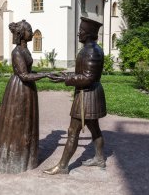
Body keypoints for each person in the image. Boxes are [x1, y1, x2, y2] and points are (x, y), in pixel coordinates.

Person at [0, 20, 47, 174]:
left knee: (27, 122)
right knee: (17, 122)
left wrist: (44, 74)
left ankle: (26, 157)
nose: (31, 33)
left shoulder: (26, 50)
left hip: (28, 89)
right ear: (21, 34)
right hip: (19, 89)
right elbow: (23, 75)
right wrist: (45, 74)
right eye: (29, 30)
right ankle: (13, 159)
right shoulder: (16, 52)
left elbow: (29, 71)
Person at [44, 17, 107, 175]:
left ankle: (63, 166)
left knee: (73, 131)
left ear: (89, 34)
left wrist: (65, 79)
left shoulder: (92, 50)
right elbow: (83, 73)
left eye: (81, 31)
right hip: (89, 94)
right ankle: (99, 158)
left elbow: (88, 78)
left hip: (87, 96)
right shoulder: (90, 48)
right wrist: (66, 75)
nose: (78, 33)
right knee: (94, 128)